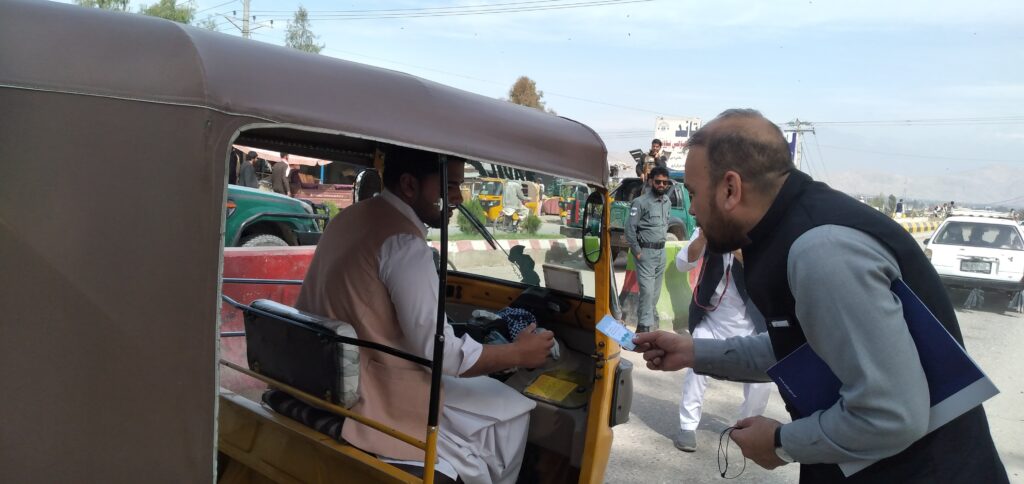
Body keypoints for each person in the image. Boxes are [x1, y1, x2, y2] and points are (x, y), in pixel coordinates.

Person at [633, 109, 1007, 483]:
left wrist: (780, 443)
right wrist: (694, 351)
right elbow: (805, 350)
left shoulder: (822, 252)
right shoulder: (788, 229)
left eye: (695, 193)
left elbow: (891, 415)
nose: (693, 208)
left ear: (730, 189)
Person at [295, 145, 554, 484]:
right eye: (448, 187)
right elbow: (441, 354)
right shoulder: (404, 245)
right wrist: (519, 353)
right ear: (409, 185)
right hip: (372, 395)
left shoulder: (351, 217)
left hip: (325, 375)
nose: (459, 198)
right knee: (514, 408)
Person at [672, 227, 772, 453]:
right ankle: (687, 426)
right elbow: (682, 264)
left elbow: (764, 270)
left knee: (761, 383)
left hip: (750, 325)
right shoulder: (708, 226)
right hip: (711, 320)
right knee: (695, 371)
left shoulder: (761, 232)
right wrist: (704, 238)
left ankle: (746, 427)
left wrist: (734, 245)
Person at [626, 166, 672, 333]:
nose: (661, 185)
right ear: (651, 181)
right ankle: (644, 328)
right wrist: (638, 251)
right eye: (658, 181)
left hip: (661, 253)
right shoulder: (640, 202)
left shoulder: (667, 202)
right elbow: (630, 230)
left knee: (655, 293)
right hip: (645, 253)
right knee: (646, 291)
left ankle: (644, 324)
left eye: (664, 182)